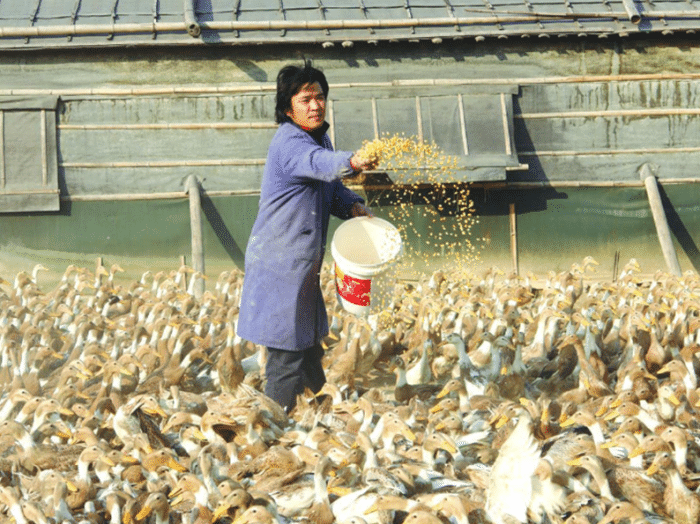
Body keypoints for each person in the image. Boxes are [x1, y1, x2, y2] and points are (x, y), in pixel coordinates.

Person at [236, 61, 378, 414]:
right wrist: (355, 161)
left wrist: (355, 206)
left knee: (309, 346)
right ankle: (271, 427)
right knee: (286, 355)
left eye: (320, 97)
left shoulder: (318, 138)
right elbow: (319, 164)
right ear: (288, 108)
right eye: (305, 99)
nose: (315, 105)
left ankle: (318, 415)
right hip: (280, 264)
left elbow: (330, 186)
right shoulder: (291, 142)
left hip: (300, 265)